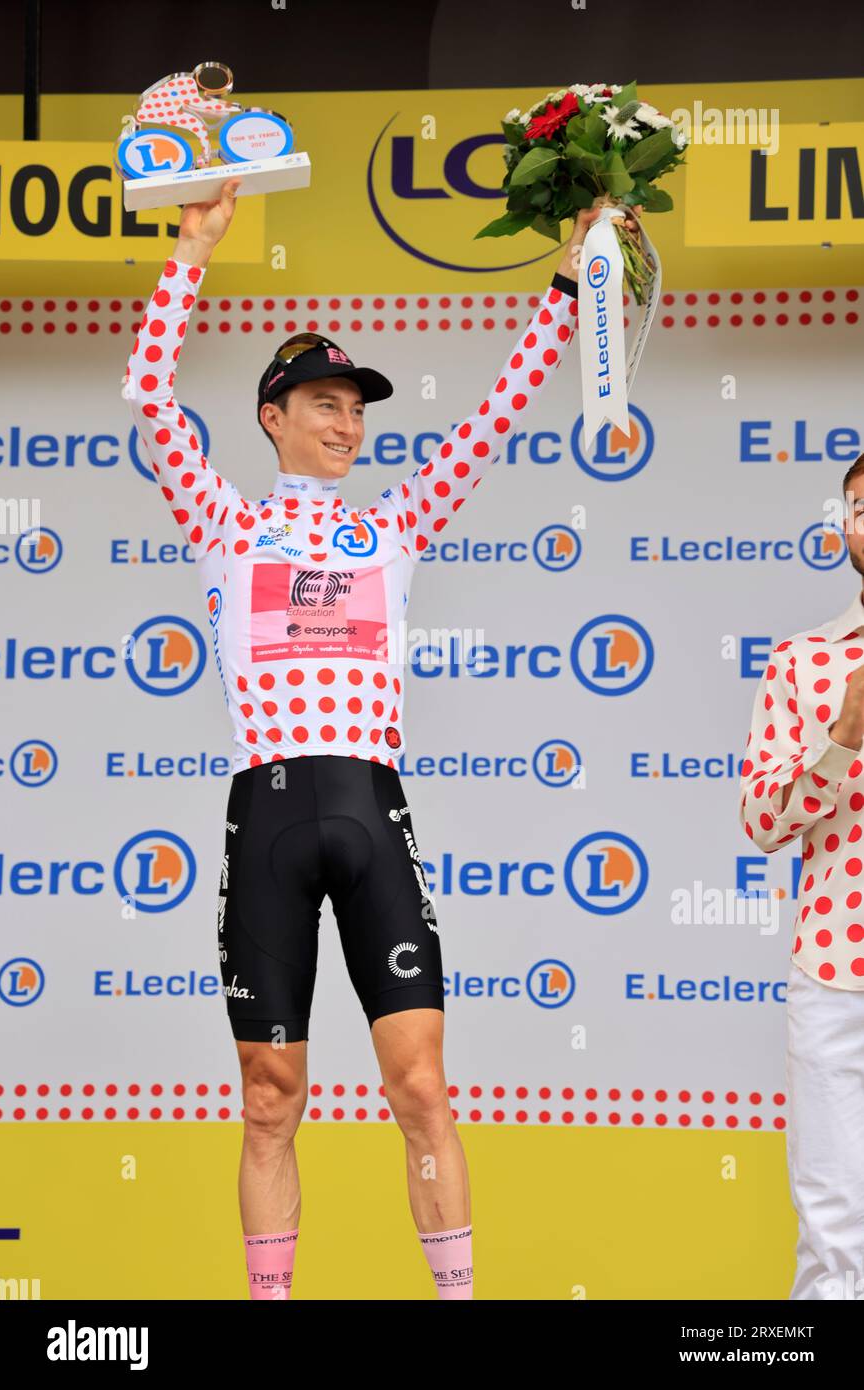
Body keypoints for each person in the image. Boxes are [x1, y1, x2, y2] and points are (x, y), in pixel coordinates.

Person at [122, 175, 642, 1300]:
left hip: (369, 807)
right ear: (272, 417)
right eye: (323, 402)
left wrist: (568, 278)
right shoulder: (224, 516)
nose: (347, 421)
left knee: (420, 1086)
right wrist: (195, 248)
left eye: (356, 406)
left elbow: (502, 410)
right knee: (269, 1093)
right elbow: (148, 392)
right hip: (266, 809)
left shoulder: (397, 517)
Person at [739, 449, 864, 1300]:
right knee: (833, 1227)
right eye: (857, 506)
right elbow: (760, 822)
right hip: (837, 971)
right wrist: (840, 736)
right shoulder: (802, 662)